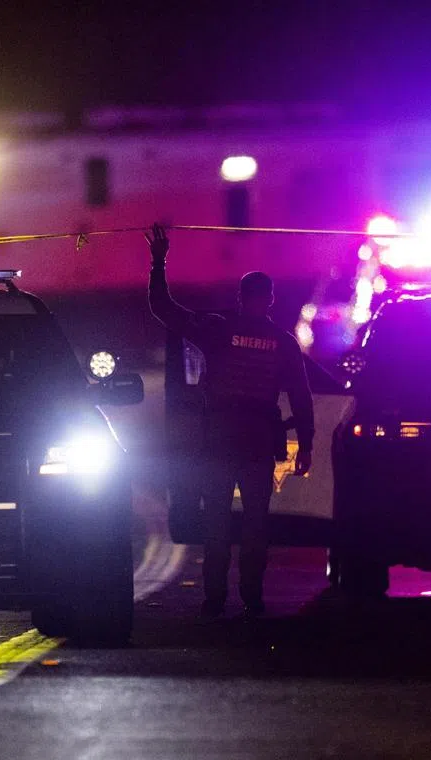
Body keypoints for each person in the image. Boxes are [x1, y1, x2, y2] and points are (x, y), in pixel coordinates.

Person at [146, 223, 314, 618]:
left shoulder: (219, 332)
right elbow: (301, 397)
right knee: (255, 527)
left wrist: (158, 262)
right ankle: (252, 598)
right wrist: (304, 446)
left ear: (240, 299)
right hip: (256, 447)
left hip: (219, 443)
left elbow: (163, 308)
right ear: (270, 300)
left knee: (217, 525)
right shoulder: (283, 343)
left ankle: (215, 599)